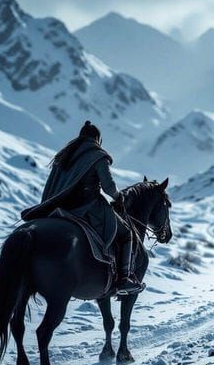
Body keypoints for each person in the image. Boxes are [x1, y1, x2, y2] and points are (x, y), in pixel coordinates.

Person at [21, 121, 144, 295]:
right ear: (98, 139)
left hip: (58, 207)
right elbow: (108, 187)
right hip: (86, 206)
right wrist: (119, 197)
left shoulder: (63, 156)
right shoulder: (97, 154)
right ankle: (124, 278)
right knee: (126, 234)